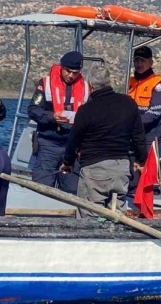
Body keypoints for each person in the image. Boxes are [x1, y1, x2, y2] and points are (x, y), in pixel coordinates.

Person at [60, 64, 147, 217]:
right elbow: (139, 138)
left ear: (90, 85)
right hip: (121, 169)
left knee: (90, 216)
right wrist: (140, 160)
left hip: (95, 170)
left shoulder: (86, 110)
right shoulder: (129, 104)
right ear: (109, 82)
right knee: (117, 216)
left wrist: (67, 163)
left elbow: (73, 141)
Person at [27, 51, 90, 194]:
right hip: (49, 144)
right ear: (61, 67)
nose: (71, 75)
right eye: (68, 71)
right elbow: (32, 109)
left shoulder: (86, 88)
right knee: (41, 190)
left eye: (75, 72)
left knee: (71, 191)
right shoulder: (45, 83)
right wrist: (52, 116)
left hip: (72, 148)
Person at [127, 46, 161, 194]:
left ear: (150, 62)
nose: (139, 64)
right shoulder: (129, 81)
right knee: (131, 172)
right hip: (132, 136)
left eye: (142, 61)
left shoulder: (157, 83)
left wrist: (131, 124)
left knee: (147, 176)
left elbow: (154, 113)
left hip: (150, 137)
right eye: (136, 60)